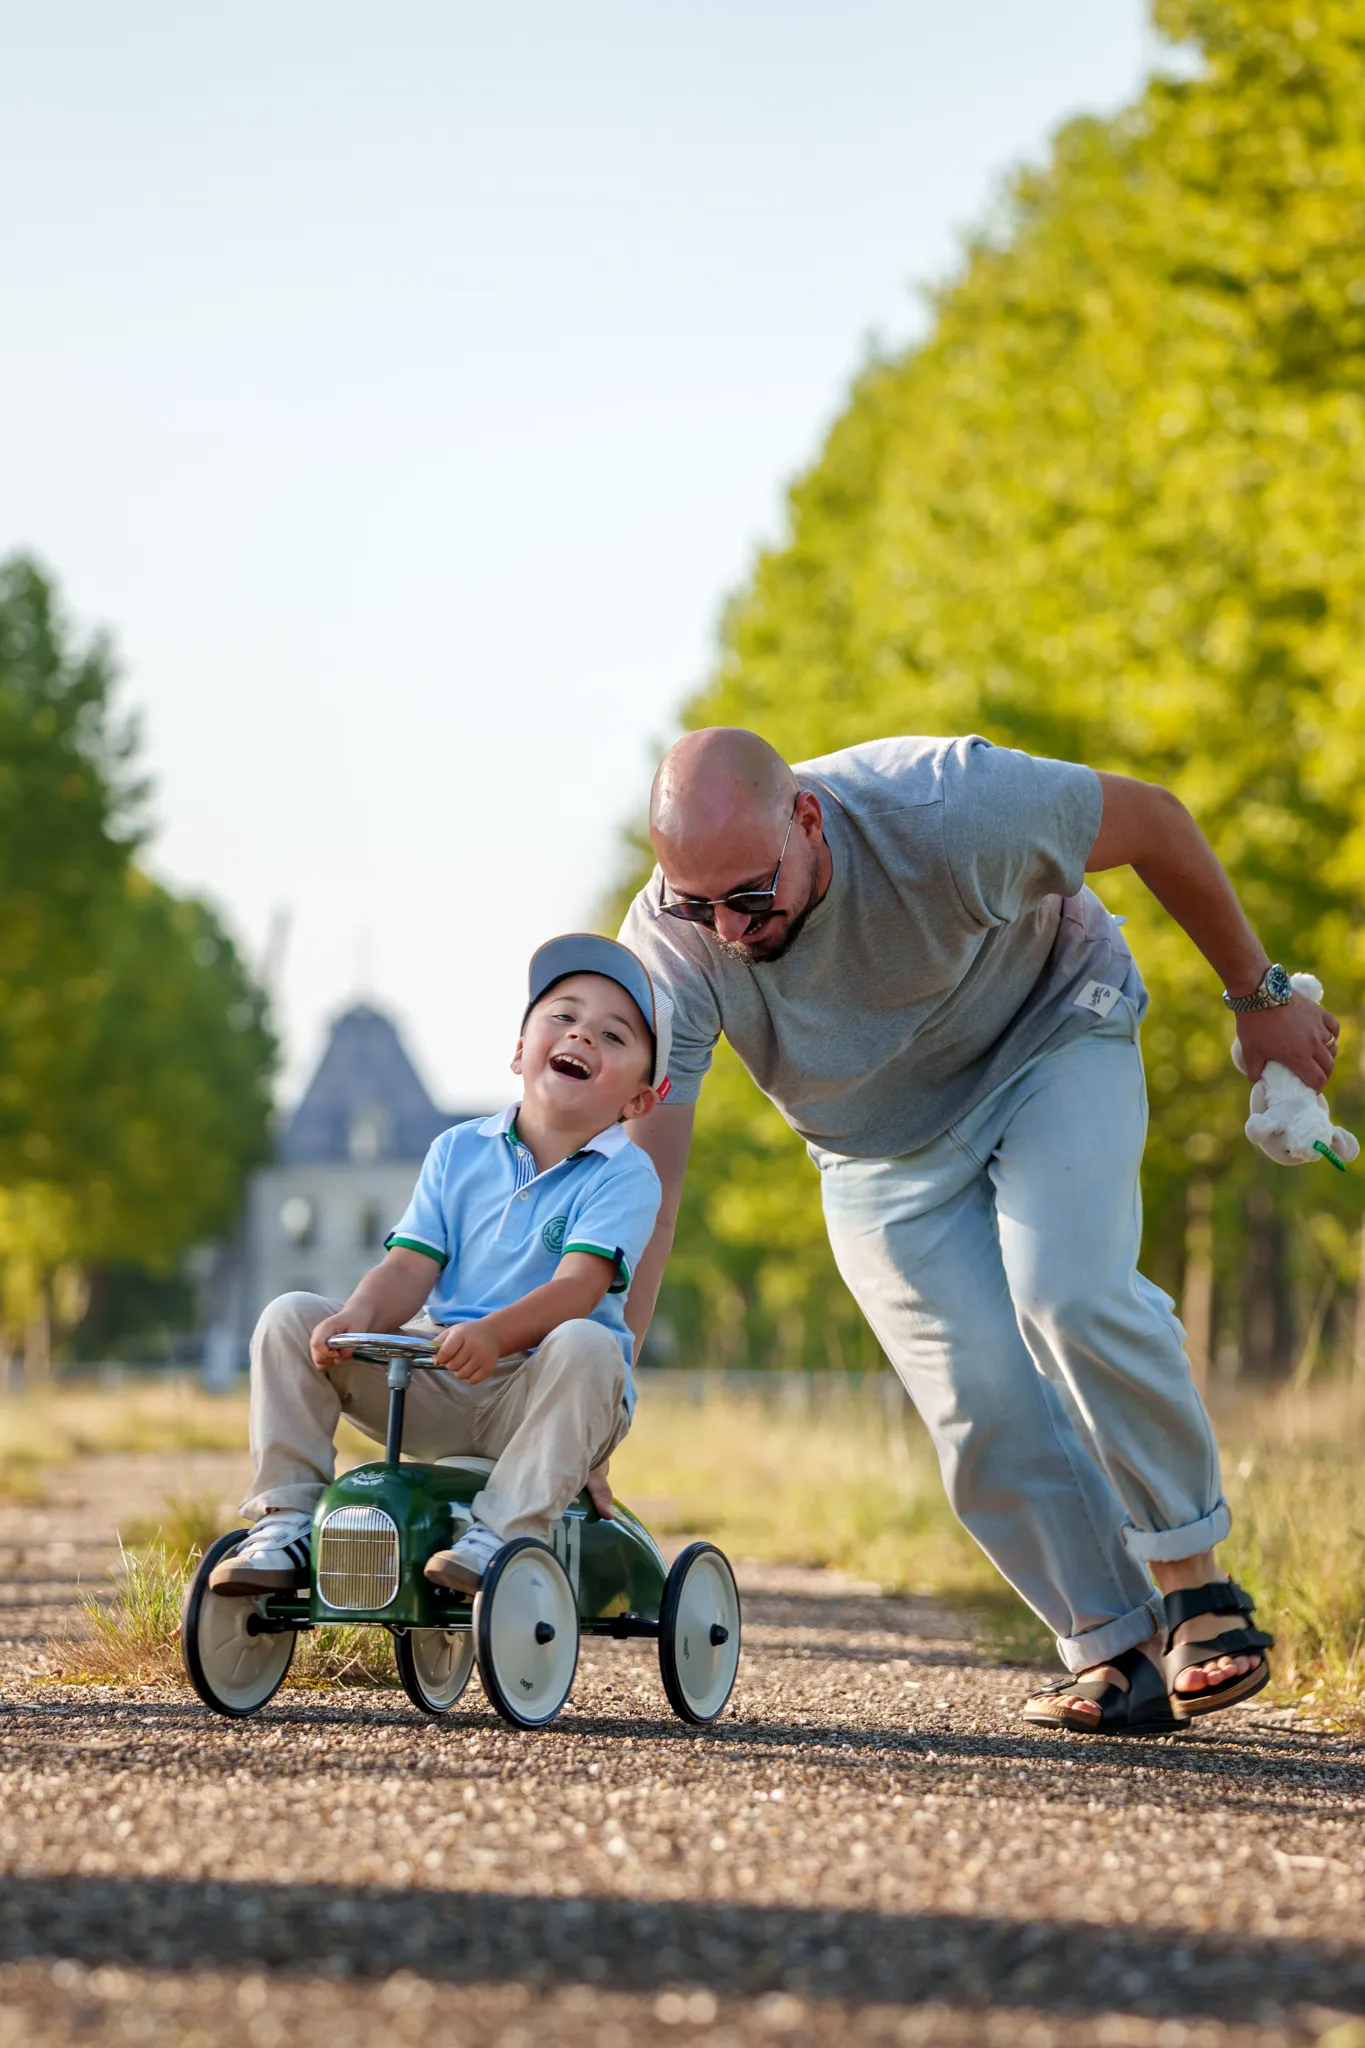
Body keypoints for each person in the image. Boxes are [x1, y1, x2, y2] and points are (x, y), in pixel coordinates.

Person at [617, 727, 1331, 1734]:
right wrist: (605, 1386)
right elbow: (650, 1179)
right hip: (872, 1145)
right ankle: (1114, 1645)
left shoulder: (947, 806)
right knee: (977, 1402)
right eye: (698, 902)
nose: (728, 929)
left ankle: (1196, 1588)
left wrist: (1258, 998)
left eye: (749, 895)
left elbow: (1159, 824)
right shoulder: (670, 938)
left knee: (1066, 1289)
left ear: (807, 819)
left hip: (1047, 1031)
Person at [212, 934, 668, 1598]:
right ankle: (287, 1520)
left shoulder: (624, 1173)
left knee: (592, 1343)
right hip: (437, 1374)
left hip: (541, 1390)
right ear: (519, 1052)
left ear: (638, 1101)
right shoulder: (458, 1150)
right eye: (563, 1017)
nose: (583, 1036)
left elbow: (579, 1287)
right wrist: (355, 1318)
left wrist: (493, 1335)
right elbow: (407, 1267)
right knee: (288, 1317)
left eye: (613, 1034)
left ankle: (504, 1532)